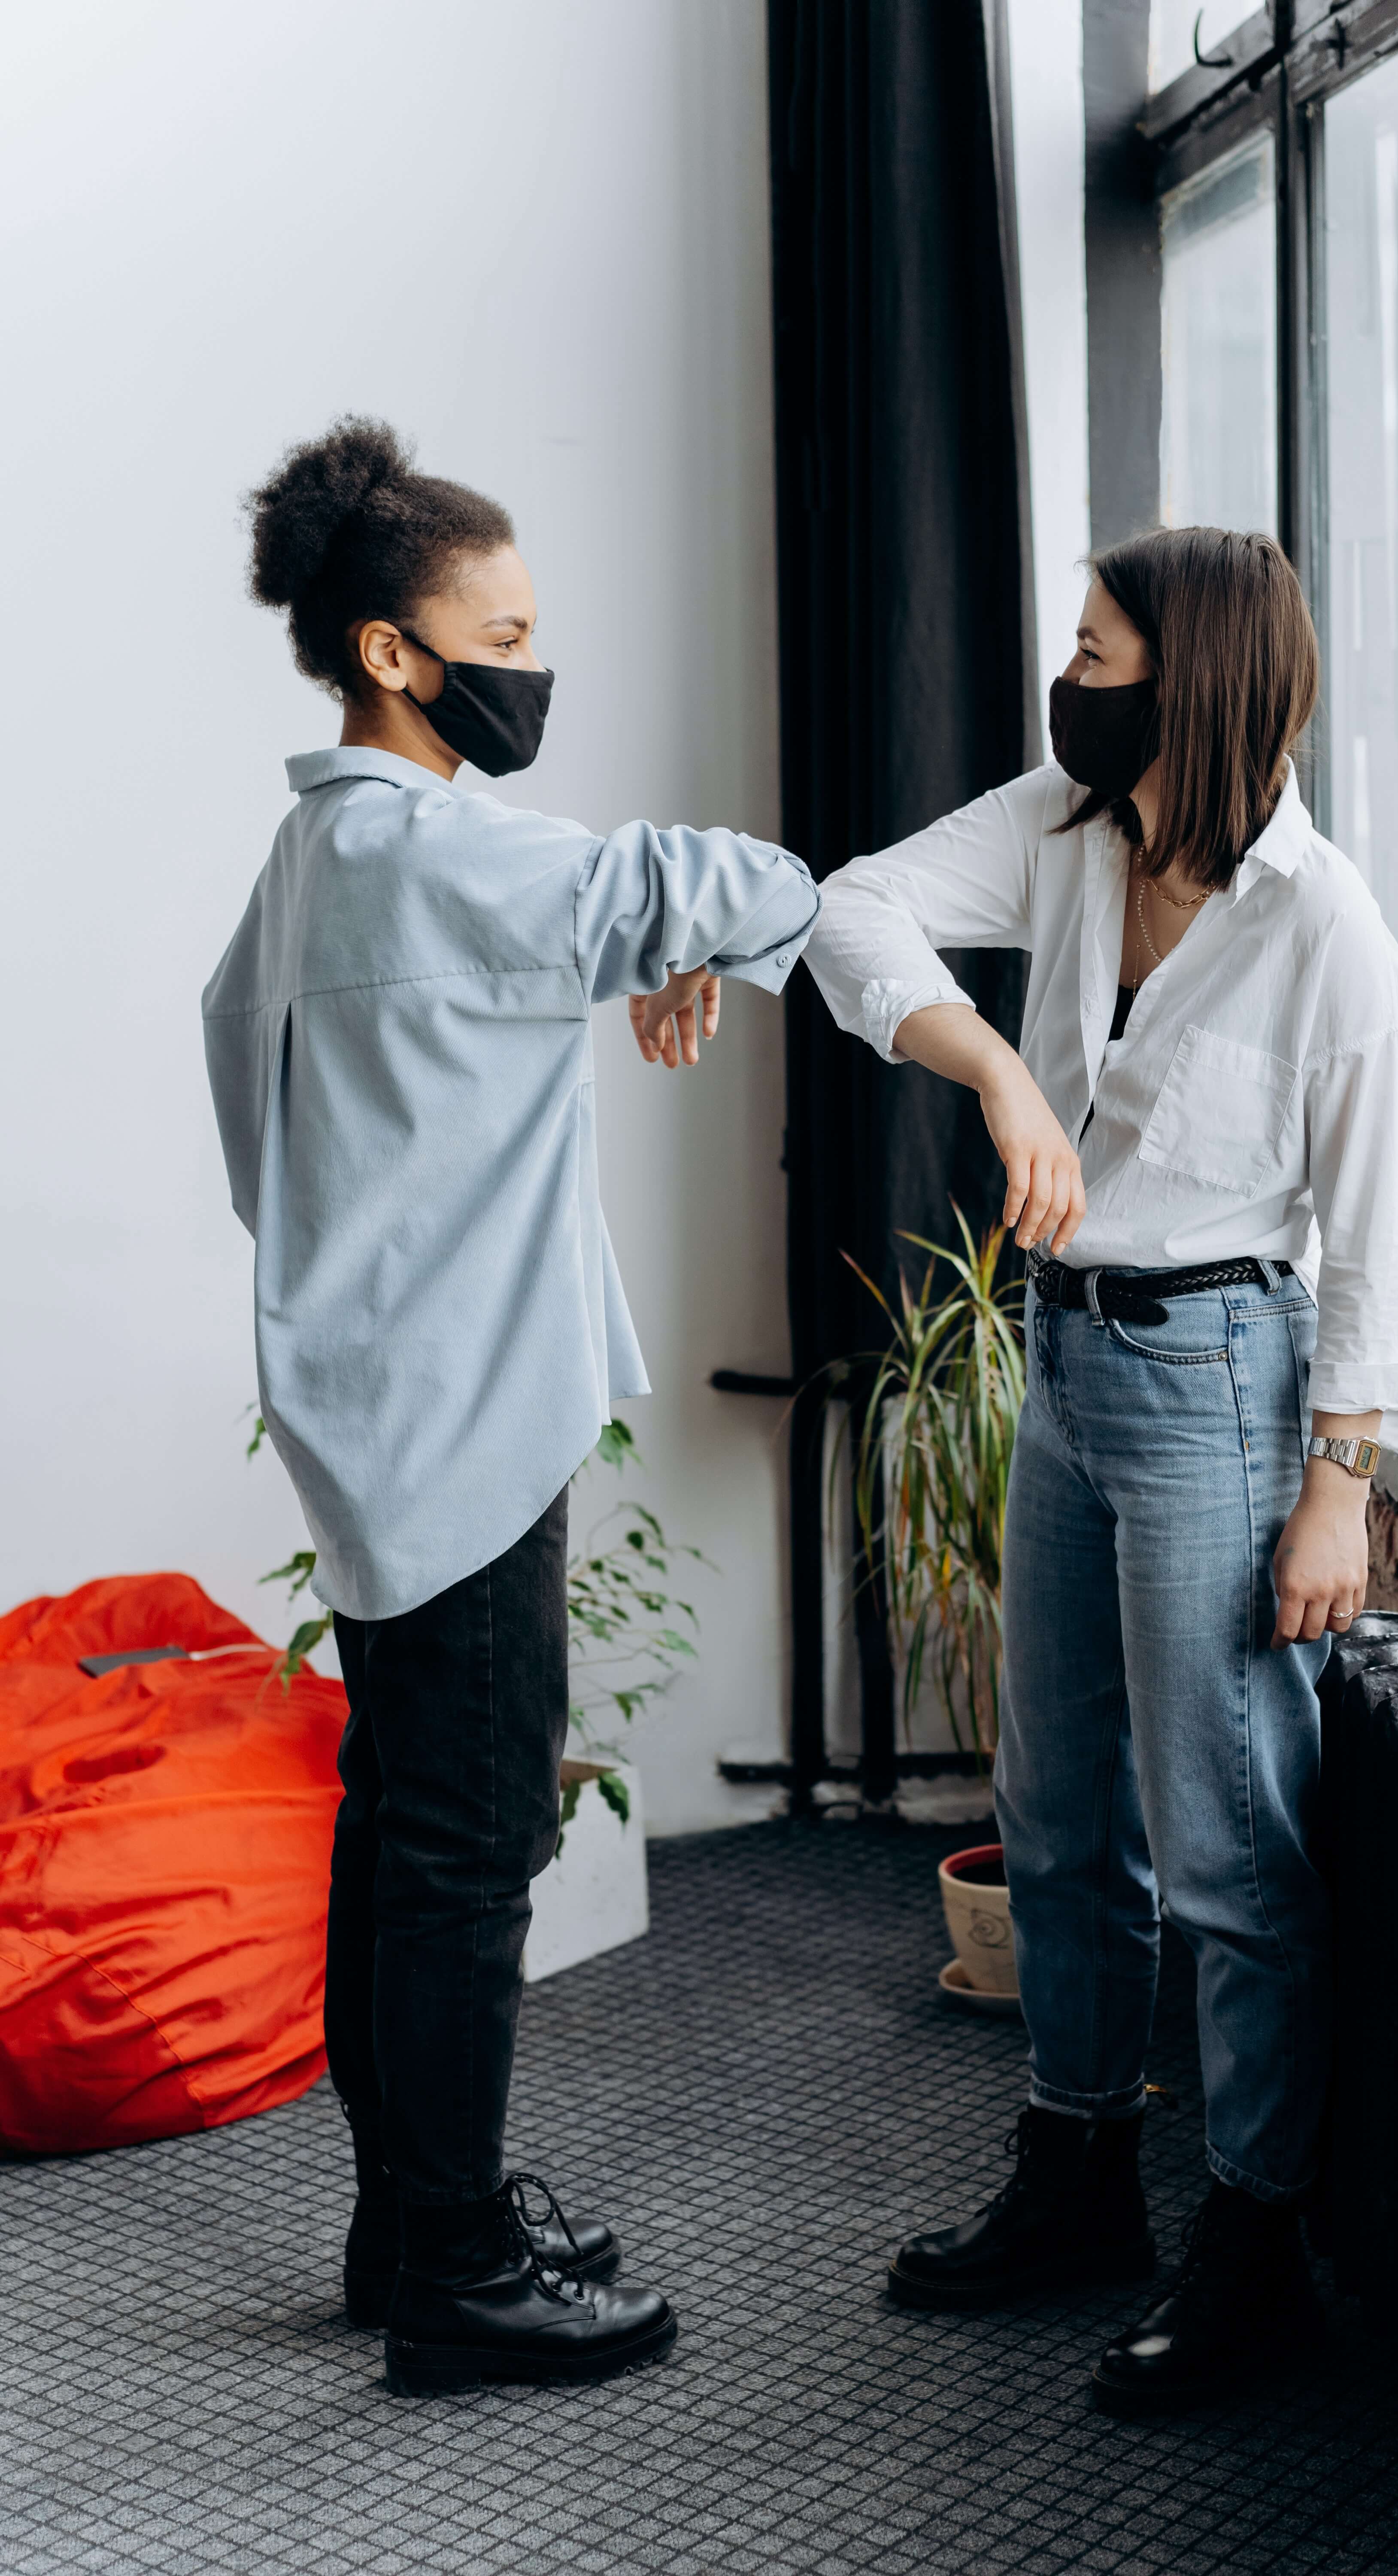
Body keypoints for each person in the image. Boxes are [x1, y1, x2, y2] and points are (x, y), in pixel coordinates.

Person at [203, 419, 819, 2398]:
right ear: (394, 653)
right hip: (462, 1417)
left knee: (401, 1832)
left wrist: (627, 964)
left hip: (381, 1399)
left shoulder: (318, 862)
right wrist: (709, 930)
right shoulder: (441, 849)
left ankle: (407, 2229)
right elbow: (711, 877)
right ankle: (460, 2275)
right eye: (507, 627)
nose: (534, 662)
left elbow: (269, 1111)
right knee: (468, 1851)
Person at [803, 526, 1398, 2410]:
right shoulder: (1068, 829)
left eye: (1097, 649)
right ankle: (1075, 2180)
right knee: (1058, 1810)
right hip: (1063, 1355)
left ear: (1196, 679)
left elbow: (1377, 1230)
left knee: (1230, 1856)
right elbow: (849, 910)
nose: (1069, 678)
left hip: (1226, 1382)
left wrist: (1341, 1480)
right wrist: (991, 1066)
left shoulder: (1327, 929)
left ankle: (1252, 2250)